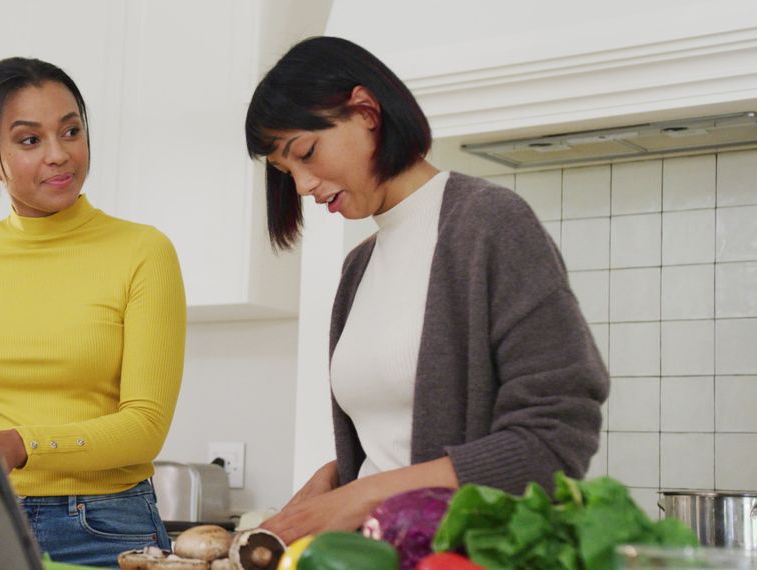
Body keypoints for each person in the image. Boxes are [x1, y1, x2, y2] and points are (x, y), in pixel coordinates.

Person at [244, 37, 609, 544]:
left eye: (306, 152)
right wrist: (337, 478)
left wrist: (361, 495)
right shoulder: (358, 268)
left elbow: (552, 441)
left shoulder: (491, 226)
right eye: (287, 172)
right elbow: (398, 443)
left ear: (366, 111)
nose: (303, 186)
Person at [0, 57, 186, 567]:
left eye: (71, 131)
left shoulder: (143, 251)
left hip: (109, 528)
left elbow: (145, 425)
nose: (59, 155)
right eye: (30, 140)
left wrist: (22, 444)